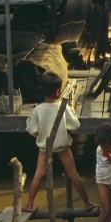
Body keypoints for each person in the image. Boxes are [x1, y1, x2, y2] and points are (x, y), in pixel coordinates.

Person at [22, 72, 96, 213]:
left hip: (45, 147)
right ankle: (87, 202)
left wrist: (41, 133)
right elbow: (75, 126)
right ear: (57, 91)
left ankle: (29, 204)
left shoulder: (38, 109)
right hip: (62, 146)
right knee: (73, 174)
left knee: (39, 173)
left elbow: (31, 129)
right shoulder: (63, 107)